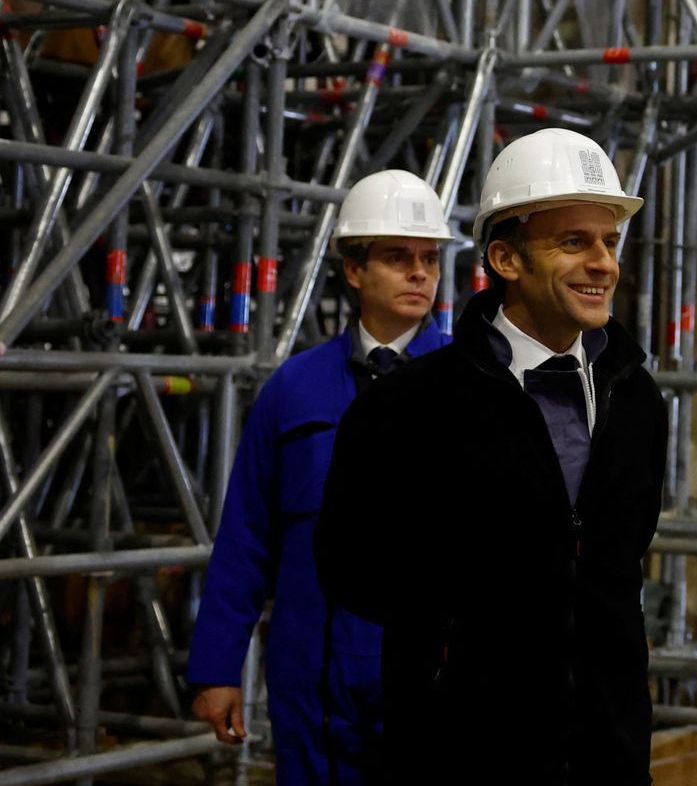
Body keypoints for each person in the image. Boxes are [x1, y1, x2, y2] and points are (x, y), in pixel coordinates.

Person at [316, 128, 667, 784]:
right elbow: (350, 566)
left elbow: (624, 548)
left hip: (607, 752)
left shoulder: (637, 396)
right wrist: (469, 632)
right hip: (461, 751)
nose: (603, 263)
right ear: (506, 260)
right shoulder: (410, 406)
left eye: (609, 242)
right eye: (574, 242)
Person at [187, 170, 453, 784]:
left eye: (429, 259)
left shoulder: (472, 386)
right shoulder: (294, 389)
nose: (420, 274)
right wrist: (218, 667)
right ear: (354, 270)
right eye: (397, 257)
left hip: (433, 668)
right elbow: (247, 533)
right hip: (311, 668)